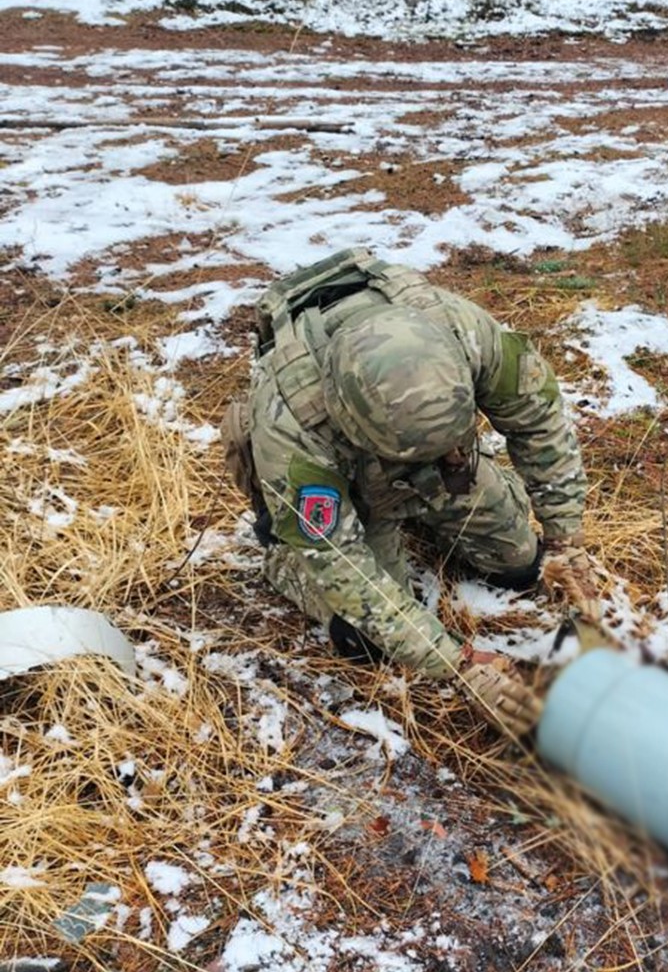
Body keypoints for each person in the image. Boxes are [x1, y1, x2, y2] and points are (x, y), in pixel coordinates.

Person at [220, 249, 604, 739]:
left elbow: (539, 419)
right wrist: (456, 664)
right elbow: (345, 565)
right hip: (354, 491)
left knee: (520, 566)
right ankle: (285, 557)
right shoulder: (294, 426)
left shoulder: (464, 332)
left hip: (443, 467)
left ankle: (437, 485)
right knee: (365, 637)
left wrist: (565, 539)